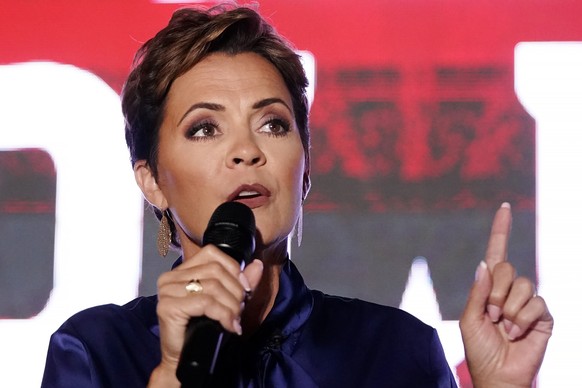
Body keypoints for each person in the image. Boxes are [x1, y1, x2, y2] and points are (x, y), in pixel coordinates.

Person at [41, 5, 553, 387]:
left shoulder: (396, 352)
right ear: (151, 179)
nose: (246, 151)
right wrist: (176, 372)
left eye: (272, 124)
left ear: (304, 167)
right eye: (204, 129)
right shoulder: (94, 353)